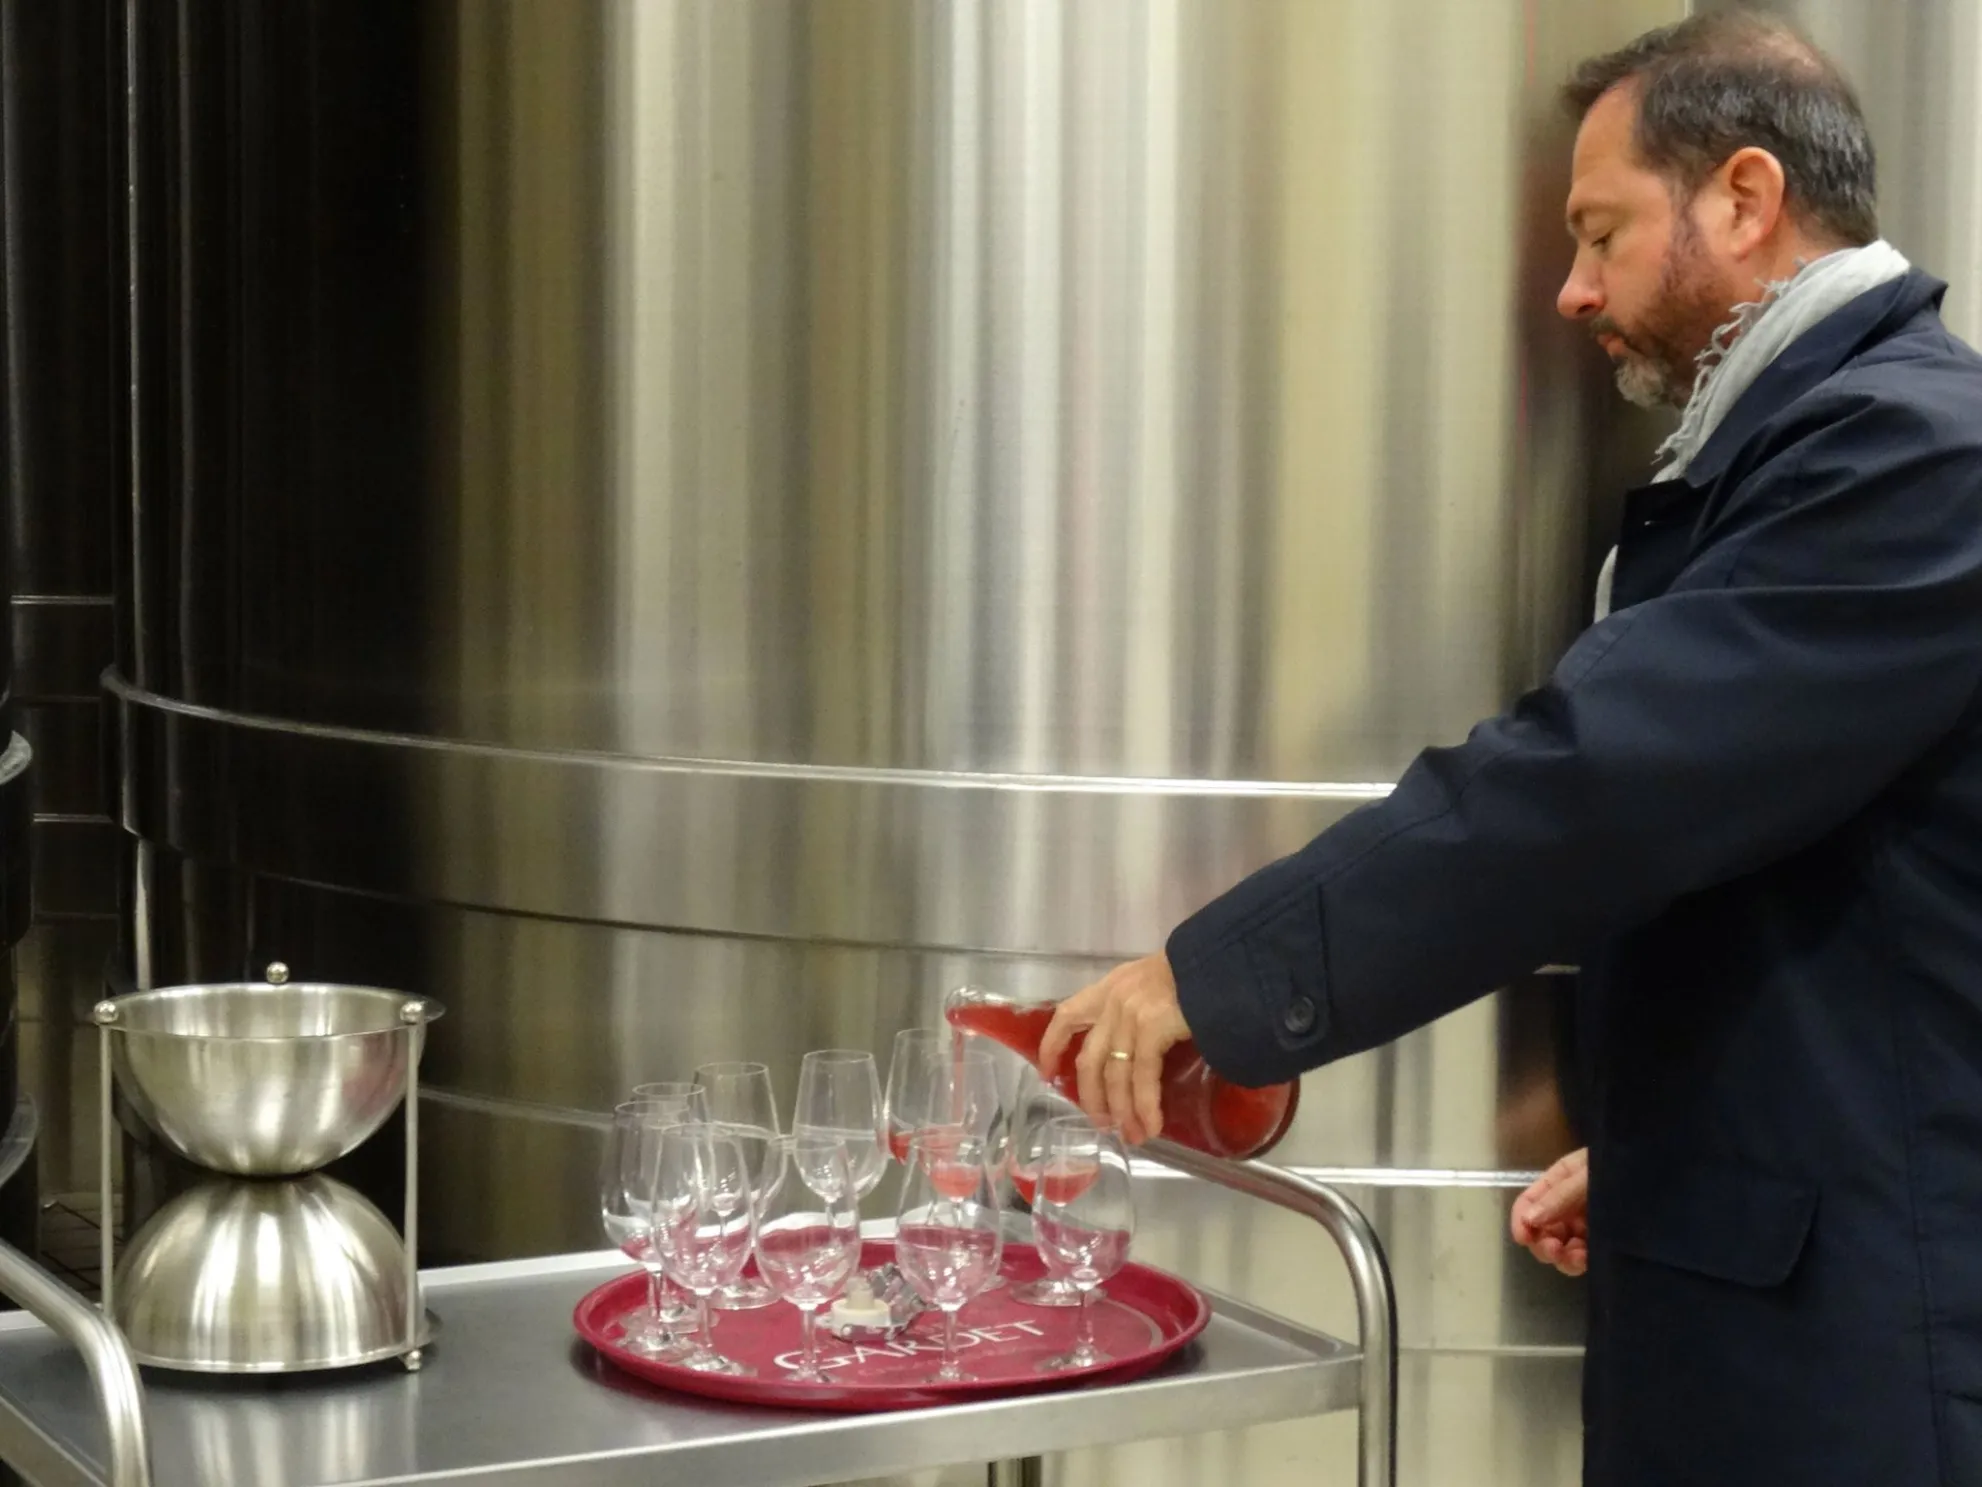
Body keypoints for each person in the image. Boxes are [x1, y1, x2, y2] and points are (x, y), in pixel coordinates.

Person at [1039, 13, 1982, 1486]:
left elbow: (1599, 781)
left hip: (1865, 1349)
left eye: (1601, 233)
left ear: (1744, 198)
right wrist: (1688, 1150)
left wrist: (1210, 978)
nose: (1570, 289)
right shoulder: (1812, 448)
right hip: (1786, 1271)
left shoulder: (1914, 455)